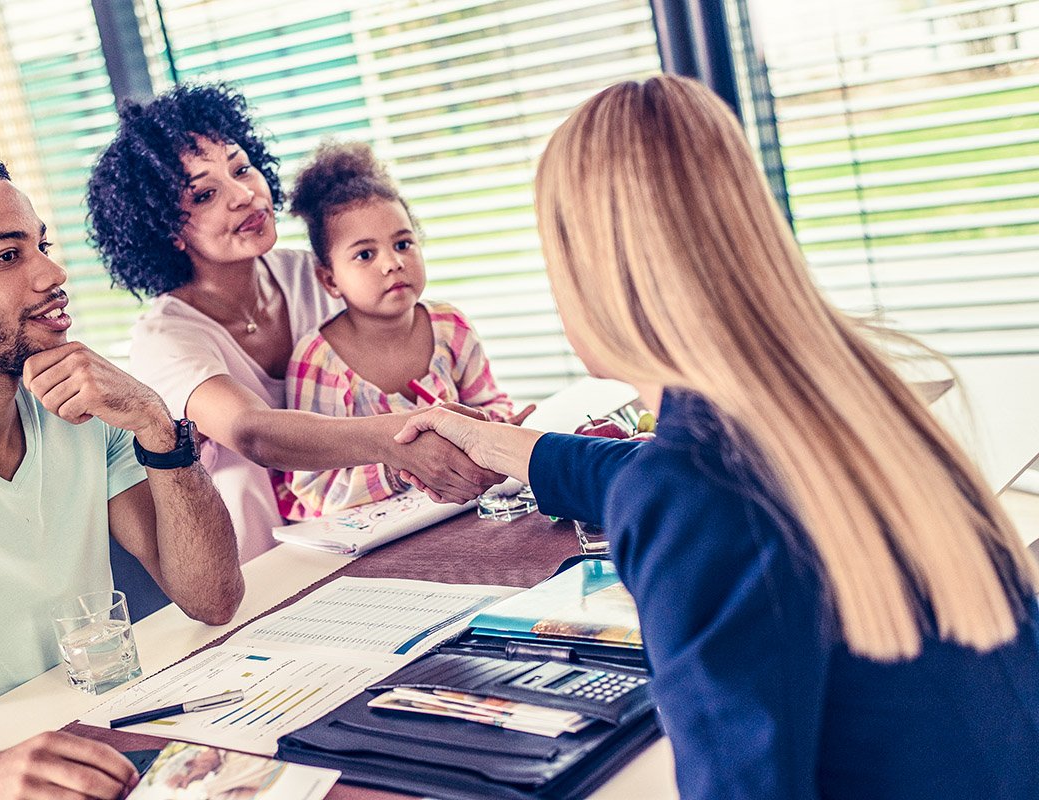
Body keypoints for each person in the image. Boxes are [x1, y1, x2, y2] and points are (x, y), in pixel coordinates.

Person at [396, 76, 1039, 799]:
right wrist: (497, 445)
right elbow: (662, 480)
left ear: (588, 273)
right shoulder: (843, 400)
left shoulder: (698, 492)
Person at [0, 147, 243, 798]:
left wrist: (157, 427)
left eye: (41, 244)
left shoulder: (89, 406)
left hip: (110, 747)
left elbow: (212, 598)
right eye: (7, 256)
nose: (52, 273)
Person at [86, 85, 501, 561]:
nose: (245, 195)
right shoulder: (167, 337)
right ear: (166, 229)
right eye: (203, 194)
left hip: (370, 521)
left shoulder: (314, 273)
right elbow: (251, 431)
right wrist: (410, 437)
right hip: (261, 550)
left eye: (242, 168)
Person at [281, 140, 532, 518]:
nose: (393, 263)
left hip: (462, 512)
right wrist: (403, 469)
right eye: (366, 254)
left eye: (403, 243)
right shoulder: (319, 361)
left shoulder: (450, 327)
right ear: (329, 279)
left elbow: (490, 405)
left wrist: (499, 430)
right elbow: (316, 488)